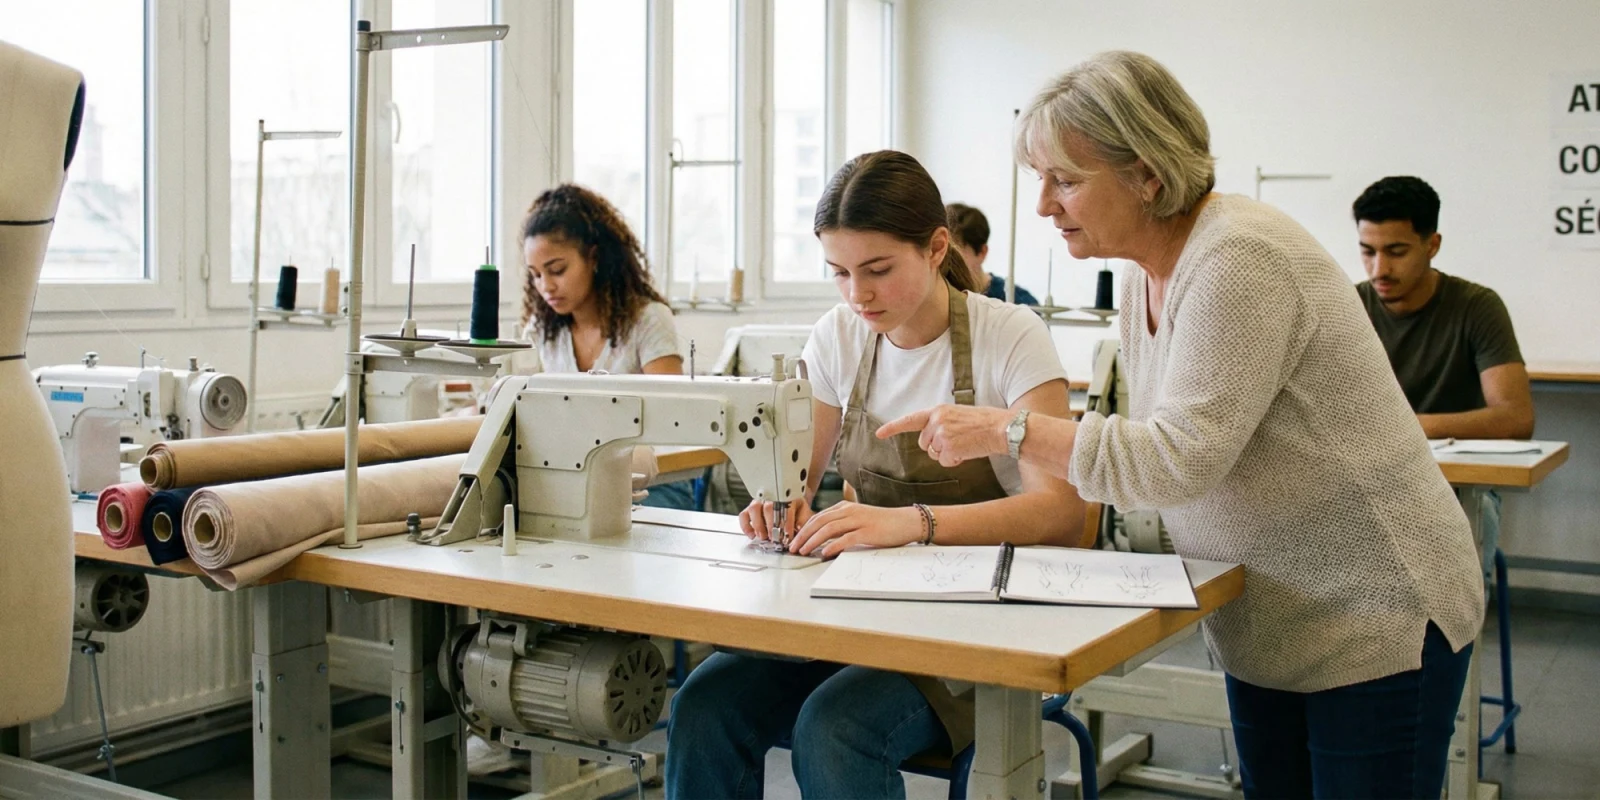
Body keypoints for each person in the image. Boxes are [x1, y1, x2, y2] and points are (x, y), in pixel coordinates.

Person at [880, 52, 1484, 800]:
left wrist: (1009, 431)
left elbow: (1175, 460)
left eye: (1064, 179)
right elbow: (1165, 447)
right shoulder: (1145, 274)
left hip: (1374, 611)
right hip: (1272, 613)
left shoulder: (1240, 259)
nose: (1042, 205)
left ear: (1148, 175)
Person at [664, 151, 1086, 800]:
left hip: (984, 621)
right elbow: (795, 478)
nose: (857, 294)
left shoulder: (1011, 336)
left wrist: (911, 525)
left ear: (936, 246)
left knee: (835, 729)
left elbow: (1059, 515)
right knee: (705, 704)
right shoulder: (839, 337)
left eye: (878, 270)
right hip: (872, 607)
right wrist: (775, 505)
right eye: (839, 273)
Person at [1353, 175, 1534, 584]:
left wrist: (1407, 427)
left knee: (1464, 540)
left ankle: (1454, 637)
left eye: (1396, 252)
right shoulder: (1348, 307)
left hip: (1456, 490)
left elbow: (1515, 418)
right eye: (1368, 252)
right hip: (1374, 483)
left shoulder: (1476, 307)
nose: (1379, 268)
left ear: (1432, 245)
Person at [516, 183, 694, 510]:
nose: (545, 286)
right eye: (536, 275)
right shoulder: (544, 331)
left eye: (557, 270)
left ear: (594, 257)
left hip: (651, 484)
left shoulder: (648, 320)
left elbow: (674, 421)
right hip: (576, 480)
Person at [945, 201, 1040, 304]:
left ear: (982, 252)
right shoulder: (940, 295)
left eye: (955, 252)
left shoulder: (1019, 302)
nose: (944, 259)